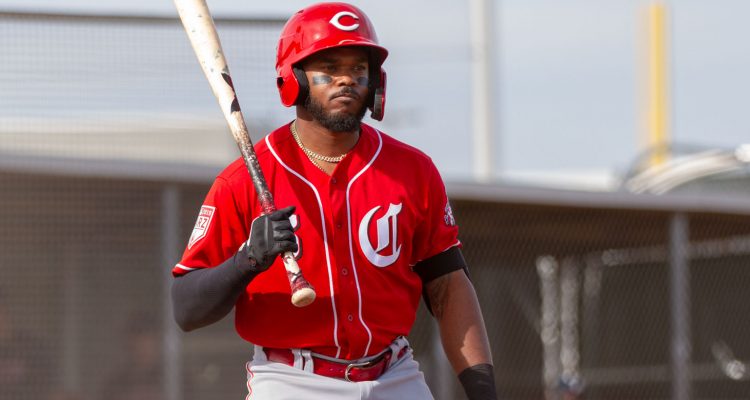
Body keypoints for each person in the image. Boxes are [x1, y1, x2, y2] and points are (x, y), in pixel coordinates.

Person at [171, 3, 497, 399]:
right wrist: (247, 260)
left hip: (393, 373)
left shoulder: (412, 170)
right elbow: (186, 308)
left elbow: (448, 287)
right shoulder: (242, 181)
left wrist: (483, 390)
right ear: (294, 79)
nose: (346, 79)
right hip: (292, 380)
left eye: (358, 68)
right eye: (329, 67)